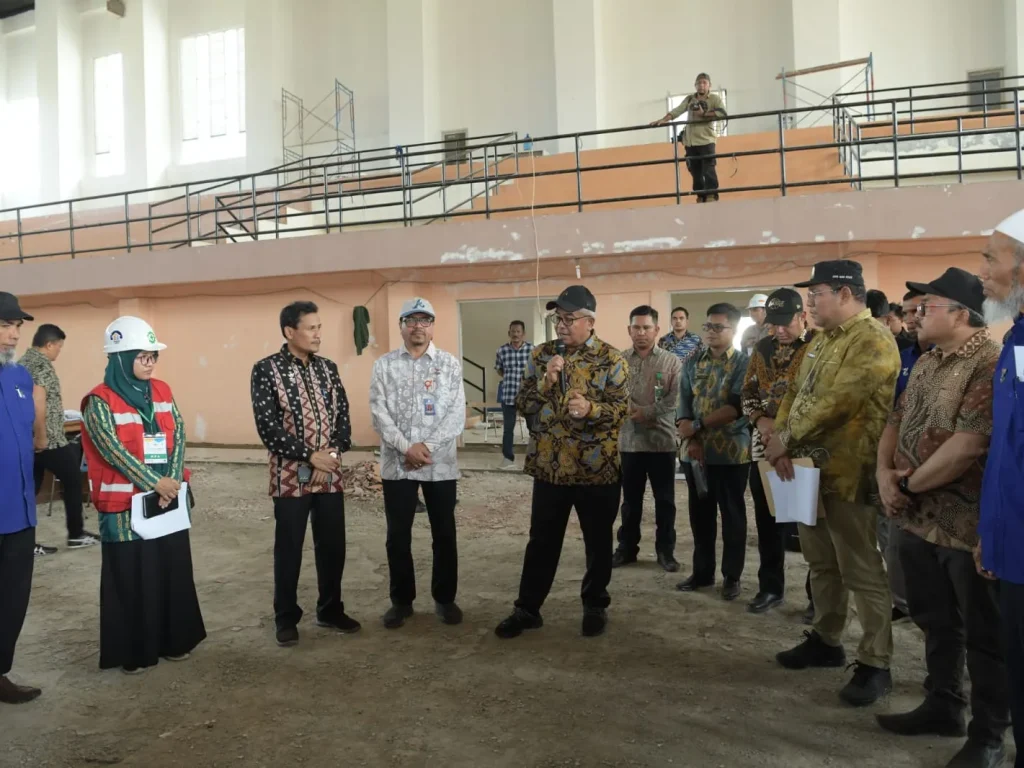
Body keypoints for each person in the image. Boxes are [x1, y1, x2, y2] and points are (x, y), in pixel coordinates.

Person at [875, 268, 1009, 768]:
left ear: (959, 313)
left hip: (963, 523)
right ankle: (942, 704)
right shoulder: (929, 362)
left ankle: (989, 734)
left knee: (982, 633)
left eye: (927, 307)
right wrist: (885, 476)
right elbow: (894, 420)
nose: (915, 315)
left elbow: (969, 445)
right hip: (915, 518)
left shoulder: (989, 363)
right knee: (935, 622)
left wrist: (906, 485)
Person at [766, 259, 900, 707]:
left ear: (845, 294)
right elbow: (794, 393)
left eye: (816, 294)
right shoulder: (822, 341)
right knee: (820, 562)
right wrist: (780, 440)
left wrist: (784, 438)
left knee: (861, 570)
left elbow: (836, 403)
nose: (809, 303)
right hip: (808, 471)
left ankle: (876, 662)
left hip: (850, 475)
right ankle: (826, 639)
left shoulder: (874, 340)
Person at [495, 285, 628, 639]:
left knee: (598, 542)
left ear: (590, 321)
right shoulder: (540, 355)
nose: (562, 325)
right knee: (541, 541)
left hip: (596, 471)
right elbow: (522, 403)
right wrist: (545, 381)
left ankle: (595, 604)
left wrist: (591, 409)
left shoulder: (612, 359)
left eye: (570, 319)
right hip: (550, 469)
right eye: (558, 318)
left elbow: (621, 411)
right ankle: (527, 609)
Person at [80, 316, 206, 674]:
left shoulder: (163, 391)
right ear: (120, 357)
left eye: (154, 356)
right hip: (124, 510)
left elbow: (178, 432)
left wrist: (172, 481)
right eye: (143, 357)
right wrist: (157, 482)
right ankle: (136, 652)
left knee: (170, 568)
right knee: (133, 576)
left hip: (166, 500)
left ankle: (174, 640)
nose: (150, 363)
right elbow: (112, 451)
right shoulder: (98, 402)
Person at [250, 301, 360, 648]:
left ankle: (330, 609)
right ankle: (285, 617)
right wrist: (309, 456)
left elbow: (343, 417)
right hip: (288, 475)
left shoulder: (328, 369)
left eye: (319, 327)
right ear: (289, 331)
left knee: (332, 546)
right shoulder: (266, 370)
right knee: (289, 549)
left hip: (329, 472)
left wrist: (331, 454)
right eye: (311, 328)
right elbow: (267, 427)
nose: (318, 334)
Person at [370, 298, 466, 629]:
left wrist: (426, 446)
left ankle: (445, 599)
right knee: (398, 534)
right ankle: (401, 601)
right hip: (398, 465)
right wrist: (405, 448)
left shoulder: (449, 365)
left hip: (440, 465)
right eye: (411, 321)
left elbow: (457, 414)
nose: (418, 327)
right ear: (401, 326)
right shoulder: (384, 366)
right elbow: (378, 412)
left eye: (425, 320)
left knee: (444, 532)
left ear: (432, 326)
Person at [978, 209, 1024, 768]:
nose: (982, 270)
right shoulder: (1015, 337)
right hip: (1012, 543)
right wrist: (991, 532)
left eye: (992, 257)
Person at [740, 288, 816, 615]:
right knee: (768, 520)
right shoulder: (762, 348)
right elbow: (748, 390)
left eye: (786, 323)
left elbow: (818, 400)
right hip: (764, 446)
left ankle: (818, 598)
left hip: (803, 446)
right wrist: (760, 420)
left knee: (808, 526)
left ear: (803, 317)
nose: (779, 330)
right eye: (774, 324)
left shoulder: (818, 348)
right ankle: (771, 588)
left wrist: (785, 434)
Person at [676, 303, 751, 601]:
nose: (711, 332)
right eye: (707, 326)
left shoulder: (744, 365)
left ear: (733, 330)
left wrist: (696, 425)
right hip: (697, 453)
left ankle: (731, 577)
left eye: (718, 327)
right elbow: (683, 401)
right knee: (700, 515)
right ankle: (702, 572)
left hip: (732, 453)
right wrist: (691, 437)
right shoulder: (693, 361)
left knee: (732, 516)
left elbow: (736, 408)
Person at [0, 293, 45, 704]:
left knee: (13, 599)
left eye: (17, 327)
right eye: (5, 326)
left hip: (20, 510)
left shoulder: (19, 379)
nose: (14, 335)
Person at [613, 305, 682, 573]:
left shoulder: (670, 362)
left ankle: (666, 552)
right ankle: (627, 549)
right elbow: (614, 393)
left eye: (646, 327)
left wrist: (648, 412)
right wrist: (633, 411)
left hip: (661, 442)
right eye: (636, 327)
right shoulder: (619, 361)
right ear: (629, 330)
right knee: (630, 502)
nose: (641, 332)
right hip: (629, 443)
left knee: (665, 501)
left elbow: (676, 397)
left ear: (656, 330)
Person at [20, 324, 99, 554]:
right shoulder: (42, 366)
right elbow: (38, 401)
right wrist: (42, 437)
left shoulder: (23, 363)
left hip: (27, 439)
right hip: (48, 440)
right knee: (73, 480)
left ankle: (25, 543)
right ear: (50, 344)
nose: (59, 352)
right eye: (59, 347)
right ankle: (76, 534)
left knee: (29, 490)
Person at [651, 72, 727, 203]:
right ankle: (700, 195)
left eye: (704, 83)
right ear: (695, 85)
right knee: (695, 171)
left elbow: (722, 114)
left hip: (706, 140)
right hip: (690, 142)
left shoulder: (714, 99)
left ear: (709, 85)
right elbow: (678, 110)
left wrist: (704, 114)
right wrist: (664, 120)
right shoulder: (690, 99)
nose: (701, 85)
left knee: (709, 170)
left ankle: (711, 196)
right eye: (699, 83)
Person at [494, 320, 534, 470]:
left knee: (533, 428)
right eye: (513, 331)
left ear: (523, 334)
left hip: (528, 396)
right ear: (509, 333)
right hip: (509, 394)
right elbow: (499, 369)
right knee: (508, 429)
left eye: (518, 331)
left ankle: (534, 458)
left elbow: (537, 370)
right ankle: (508, 459)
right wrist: (510, 377)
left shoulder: (532, 350)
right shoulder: (502, 350)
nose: (515, 334)